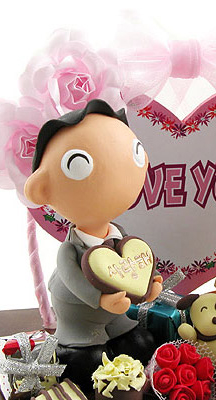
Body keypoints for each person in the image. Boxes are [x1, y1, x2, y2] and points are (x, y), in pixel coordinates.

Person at [24, 99, 163, 390]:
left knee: (141, 344)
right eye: (80, 164)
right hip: (80, 319)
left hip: (117, 316)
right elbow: (74, 281)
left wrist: (148, 287)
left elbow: (134, 265)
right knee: (89, 364)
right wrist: (101, 300)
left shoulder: (121, 235)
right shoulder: (69, 250)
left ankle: (117, 333)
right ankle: (79, 345)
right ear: (42, 188)